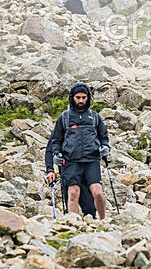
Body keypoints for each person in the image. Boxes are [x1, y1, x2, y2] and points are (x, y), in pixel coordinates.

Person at [47, 82, 110, 219]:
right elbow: (56, 141)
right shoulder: (64, 118)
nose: (81, 100)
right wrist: (57, 154)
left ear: (88, 98)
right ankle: (73, 223)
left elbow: (103, 137)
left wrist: (105, 147)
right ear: (72, 98)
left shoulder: (95, 117)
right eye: (77, 97)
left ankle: (104, 221)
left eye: (83, 97)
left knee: (98, 192)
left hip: (91, 160)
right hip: (71, 161)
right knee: (73, 192)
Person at [44, 128, 97, 218]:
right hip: (68, 172)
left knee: (89, 208)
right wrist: (50, 170)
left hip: (85, 172)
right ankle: (72, 226)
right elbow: (50, 151)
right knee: (71, 199)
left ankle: (89, 225)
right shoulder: (61, 127)